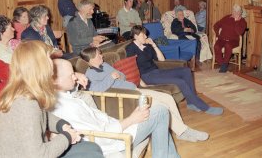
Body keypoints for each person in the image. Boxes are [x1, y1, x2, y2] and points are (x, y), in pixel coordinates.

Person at [0, 41, 104, 158]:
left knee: (92, 148)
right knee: (91, 153)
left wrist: (61, 125)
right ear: (40, 65)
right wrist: (67, 136)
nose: (52, 62)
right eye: (48, 58)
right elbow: (38, 155)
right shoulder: (25, 104)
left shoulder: (25, 90)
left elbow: (42, 115)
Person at [52, 59, 180, 158]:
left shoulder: (61, 96)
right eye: (71, 75)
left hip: (115, 128)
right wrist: (131, 119)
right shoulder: (66, 108)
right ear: (55, 81)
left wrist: (77, 75)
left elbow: (70, 90)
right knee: (160, 112)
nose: (75, 77)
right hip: (113, 141)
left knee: (159, 114)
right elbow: (101, 135)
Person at [80, 46, 209, 142]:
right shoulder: (89, 74)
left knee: (167, 97)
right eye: (98, 55)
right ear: (91, 59)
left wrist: (118, 75)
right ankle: (183, 132)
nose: (101, 56)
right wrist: (111, 78)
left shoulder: (105, 65)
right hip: (126, 96)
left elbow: (123, 76)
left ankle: (181, 130)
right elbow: (96, 90)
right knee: (160, 104)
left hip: (135, 89)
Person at [126, 25, 223, 115]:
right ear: (136, 36)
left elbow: (161, 59)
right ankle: (205, 107)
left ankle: (191, 103)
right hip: (147, 76)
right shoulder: (130, 49)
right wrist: (143, 84)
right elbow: (132, 68)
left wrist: (153, 45)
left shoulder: (147, 46)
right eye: (143, 35)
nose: (146, 36)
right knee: (180, 82)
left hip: (157, 72)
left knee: (186, 71)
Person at [213, 4, 247, 73]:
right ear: (232, 11)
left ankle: (224, 64)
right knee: (216, 47)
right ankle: (223, 64)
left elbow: (239, 32)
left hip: (233, 40)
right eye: (234, 11)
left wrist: (237, 21)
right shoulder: (226, 17)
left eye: (238, 11)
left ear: (241, 12)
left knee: (228, 46)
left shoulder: (243, 21)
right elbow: (216, 25)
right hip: (222, 39)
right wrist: (217, 34)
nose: (236, 13)